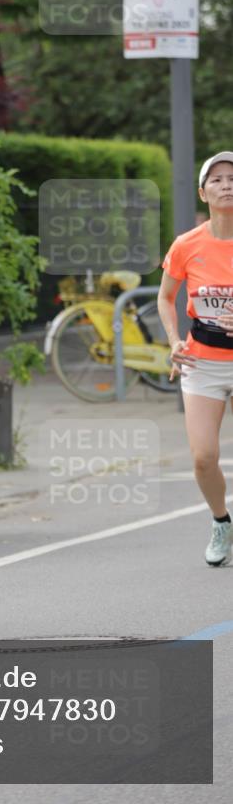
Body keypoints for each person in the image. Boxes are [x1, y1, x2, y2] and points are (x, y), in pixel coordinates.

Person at [158, 151, 233, 567]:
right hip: (202, 362)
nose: (227, 184)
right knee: (203, 457)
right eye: (217, 179)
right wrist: (173, 341)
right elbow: (166, 297)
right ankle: (221, 520)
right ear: (203, 192)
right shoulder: (188, 245)